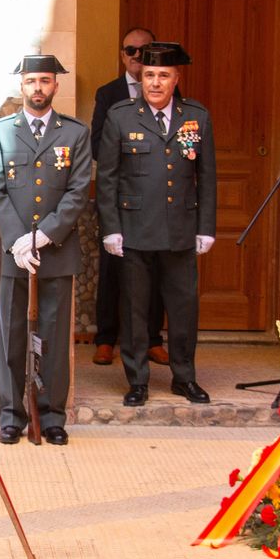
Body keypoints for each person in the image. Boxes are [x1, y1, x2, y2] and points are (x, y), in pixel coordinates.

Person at [96, 41, 216, 407]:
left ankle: (185, 377)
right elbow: (107, 178)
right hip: (134, 229)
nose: (155, 83)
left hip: (180, 229)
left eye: (164, 75)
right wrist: (111, 228)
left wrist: (206, 226)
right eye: (149, 75)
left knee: (183, 309)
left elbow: (207, 176)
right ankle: (137, 381)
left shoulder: (196, 116)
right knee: (134, 310)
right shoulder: (120, 116)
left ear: (176, 78)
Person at [0, 54, 91, 446]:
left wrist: (43, 235)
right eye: (31, 81)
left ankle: (52, 416)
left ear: (55, 86)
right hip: (13, 254)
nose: (38, 88)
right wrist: (17, 240)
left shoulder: (75, 133)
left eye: (45, 81)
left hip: (55, 251)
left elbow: (78, 190)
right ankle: (12, 416)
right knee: (11, 336)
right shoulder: (0, 133)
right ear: (22, 86)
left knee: (55, 337)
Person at [89, 26, 166, 368]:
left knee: (156, 267)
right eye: (130, 50)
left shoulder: (167, 91)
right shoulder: (108, 94)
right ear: (122, 55)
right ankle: (106, 339)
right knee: (112, 268)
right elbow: (97, 144)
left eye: (143, 50)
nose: (136, 56)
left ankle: (153, 339)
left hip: (156, 197)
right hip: (118, 194)